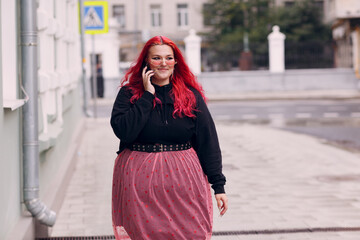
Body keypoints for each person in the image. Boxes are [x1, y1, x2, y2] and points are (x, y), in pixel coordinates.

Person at [110, 35, 228, 240]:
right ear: (146, 62)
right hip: (140, 181)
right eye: (156, 58)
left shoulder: (190, 95)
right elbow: (124, 131)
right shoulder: (129, 94)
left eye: (169, 58)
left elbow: (208, 141)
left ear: (175, 61)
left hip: (185, 180)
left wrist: (218, 186)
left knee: (191, 232)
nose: (163, 63)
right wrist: (147, 96)